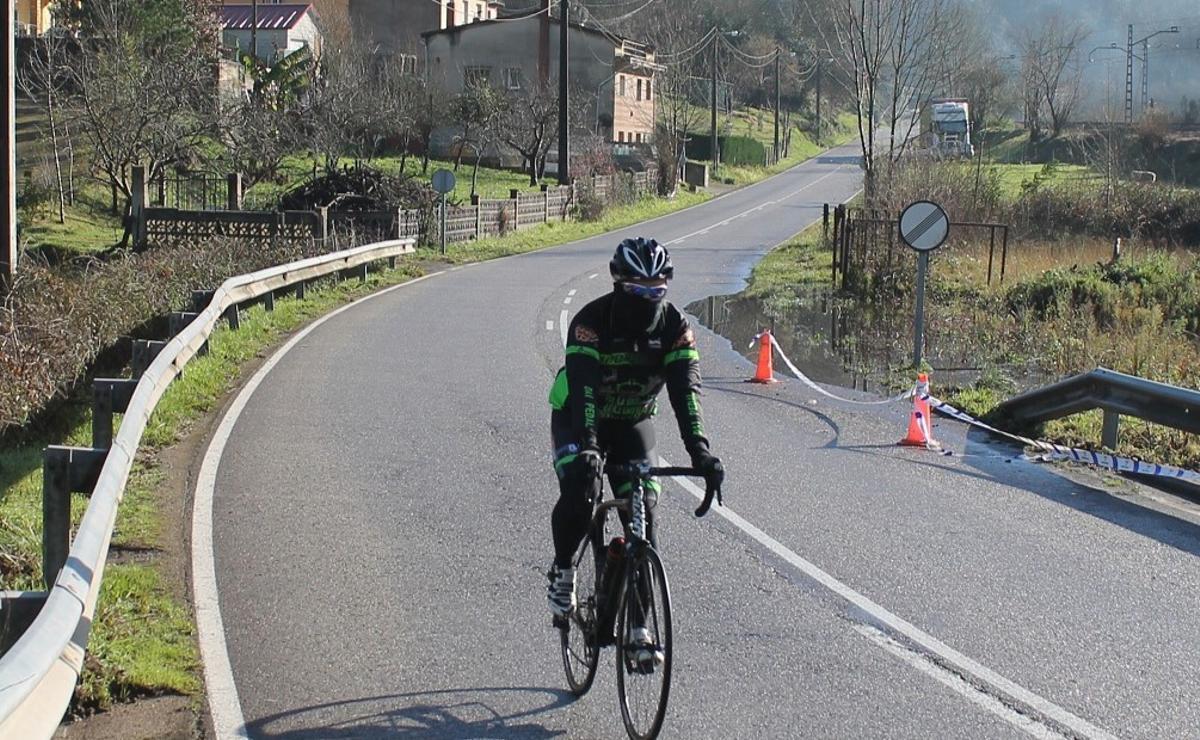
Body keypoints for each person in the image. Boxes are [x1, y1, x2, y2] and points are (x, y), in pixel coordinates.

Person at [546, 237, 724, 635]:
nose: (647, 299)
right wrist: (590, 444)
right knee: (582, 487)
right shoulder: (590, 323)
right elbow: (585, 391)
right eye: (638, 291)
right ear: (618, 285)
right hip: (578, 415)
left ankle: (639, 628)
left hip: (632, 421)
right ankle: (562, 571)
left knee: (642, 514)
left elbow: (686, 396)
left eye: (656, 291)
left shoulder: (676, 328)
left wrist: (701, 453)